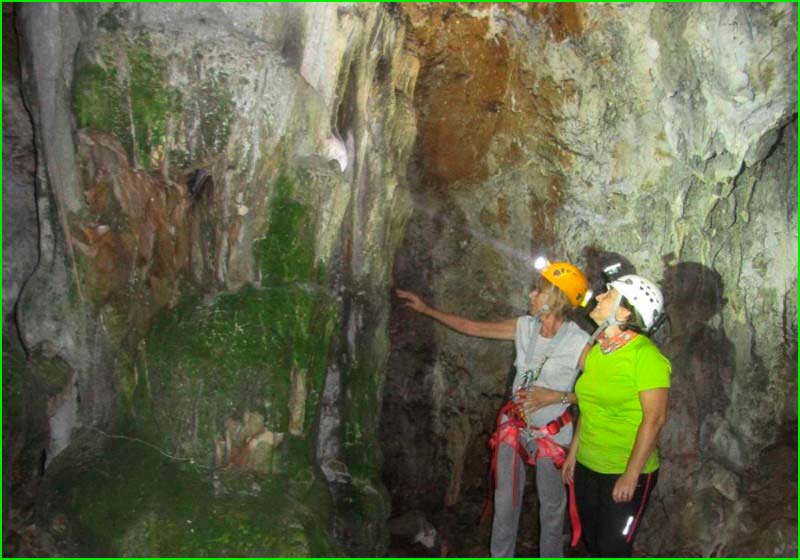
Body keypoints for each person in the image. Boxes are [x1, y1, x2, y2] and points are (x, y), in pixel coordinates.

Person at [396, 259, 591, 558]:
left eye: (538, 291)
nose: (531, 295)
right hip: (515, 426)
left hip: (552, 434)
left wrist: (559, 396)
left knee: (552, 510)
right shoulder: (524, 327)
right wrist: (426, 309)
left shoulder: (579, 343)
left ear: (556, 298)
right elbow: (474, 327)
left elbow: (600, 393)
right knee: (505, 501)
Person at [557, 274, 671, 557]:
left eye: (607, 295)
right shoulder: (598, 353)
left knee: (613, 549)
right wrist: (574, 455)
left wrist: (631, 474)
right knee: (593, 542)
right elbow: (588, 407)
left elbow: (655, 419)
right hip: (587, 466)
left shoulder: (646, 357)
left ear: (624, 312)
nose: (597, 297)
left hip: (625, 470)